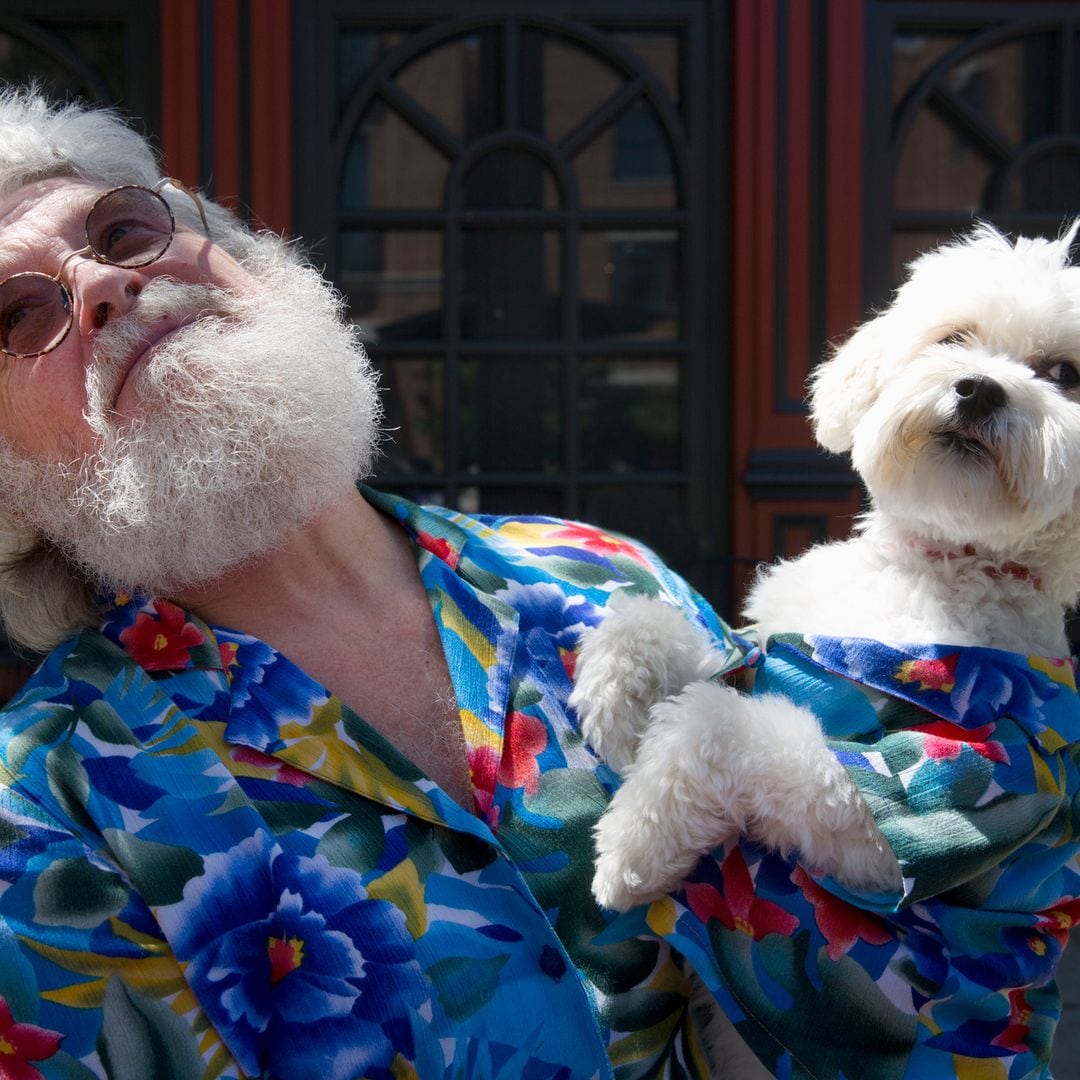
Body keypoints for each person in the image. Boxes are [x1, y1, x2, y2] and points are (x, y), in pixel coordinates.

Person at [0, 89, 1073, 1080]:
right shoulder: (47, 813)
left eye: (123, 228)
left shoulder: (597, 576)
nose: (102, 282)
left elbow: (882, 977)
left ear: (248, 262)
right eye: (16, 314)